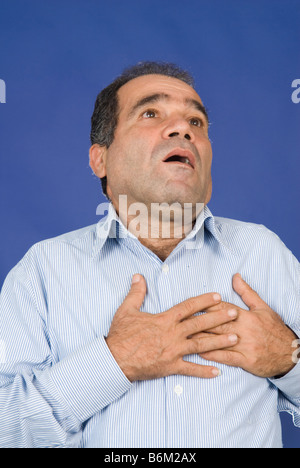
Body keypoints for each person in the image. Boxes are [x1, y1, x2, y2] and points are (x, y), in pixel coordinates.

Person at [0, 61, 299, 448]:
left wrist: (288, 360)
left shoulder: (263, 252)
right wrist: (114, 362)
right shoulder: (43, 269)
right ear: (100, 160)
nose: (183, 129)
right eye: (151, 113)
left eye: (197, 121)